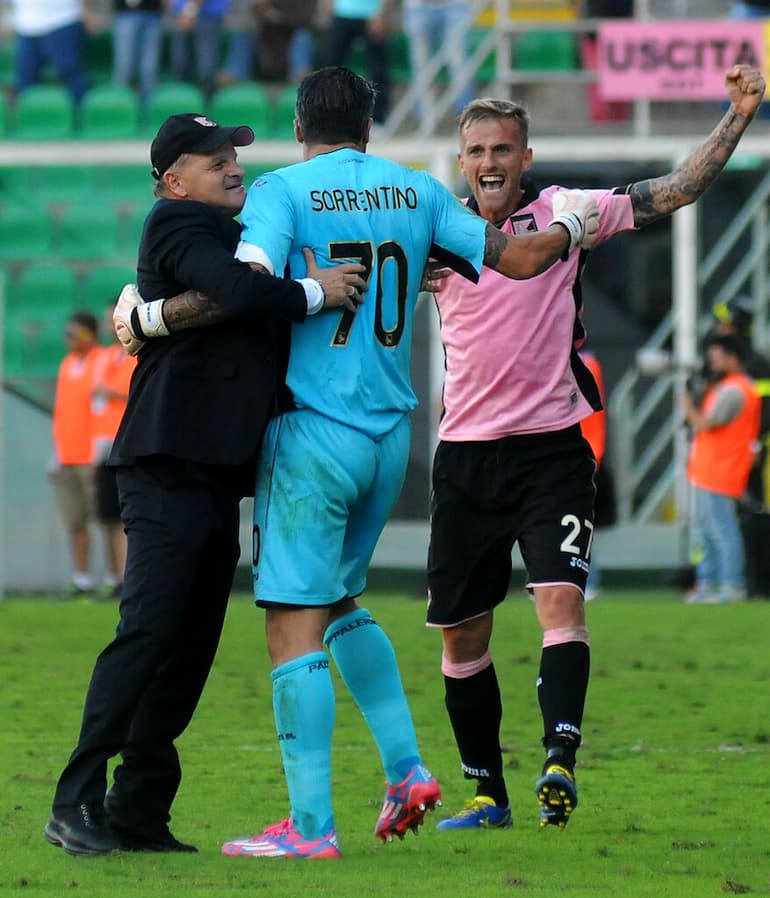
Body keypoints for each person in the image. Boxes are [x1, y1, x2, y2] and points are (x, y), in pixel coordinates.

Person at [113, 67, 599, 858]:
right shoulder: (416, 189)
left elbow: (245, 290)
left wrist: (148, 317)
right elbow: (516, 258)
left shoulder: (281, 190)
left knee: (289, 624)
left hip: (312, 433)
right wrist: (574, 231)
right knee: (338, 601)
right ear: (370, 129)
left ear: (303, 126)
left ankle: (309, 829)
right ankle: (407, 772)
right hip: (389, 437)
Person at [427, 63, 766, 834]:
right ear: (461, 161)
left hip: (551, 452)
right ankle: (487, 793)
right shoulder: (441, 234)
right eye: (476, 149)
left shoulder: (568, 212)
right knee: (461, 633)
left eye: (503, 149)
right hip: (466, 458)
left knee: (560, 601)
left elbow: (675, 188)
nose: (489, 162)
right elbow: (373, 282)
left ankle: (558, 762)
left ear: (527, 157)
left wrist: (739, 113)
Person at [44, 111, 366, 857]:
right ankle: (74, 801)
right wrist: (313, 290)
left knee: (187, 650)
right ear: (171, 179)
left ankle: (138, 808)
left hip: (216, 471)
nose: (231, 164)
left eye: (233, 153)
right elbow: (237, 290)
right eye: (212, 156)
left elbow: (242, 297)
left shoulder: (240, 230)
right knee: (148, 633)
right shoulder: (176, 224)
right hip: (168, 462)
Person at [683, 333, 761, 604]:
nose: (712, 361)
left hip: (720, 470)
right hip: (712, 469)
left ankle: (730, 585)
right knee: (709, 531)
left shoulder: (734, 390)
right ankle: (709, 584)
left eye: (717, 356)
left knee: (722, 531)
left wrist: (687, 407)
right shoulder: (732, 386)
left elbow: (706, 424)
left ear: (732, 357)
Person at [49, 311, 102, 597]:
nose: (70, 338)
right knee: (75, 521)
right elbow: (61, 413)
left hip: (92, 457)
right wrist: (55, 454)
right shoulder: (67, 364)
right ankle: (81, 578)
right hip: (68, 456)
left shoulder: (100, 362)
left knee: (107, 521)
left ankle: (115, 577)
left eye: (76, 332)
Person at [90, 304, 137, 599]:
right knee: (108, 516)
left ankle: (127, 578)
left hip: (127, 442)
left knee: (124, 517)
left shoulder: (139, 355)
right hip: (103, 446)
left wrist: (112, 394)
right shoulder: (106, 358)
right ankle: (115, 576)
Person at [322, 0, 396, 123]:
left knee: (378, 70)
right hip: (342, 14)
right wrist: (329, 10)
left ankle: (378, 118)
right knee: (329, 69)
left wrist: (382, 14)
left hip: (374, 16)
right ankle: (325, 115)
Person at [402, 0, 474, 119]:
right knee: (421, 67)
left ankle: (466, 114)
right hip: (418, 7)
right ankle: (425, 118)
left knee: (459, 64)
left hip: (454, 5)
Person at [10, 0, 92, 103]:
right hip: (26, 26)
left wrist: (87, 12)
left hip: (62, 19)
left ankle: (82, 115)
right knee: (24, 82)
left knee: (71, 76)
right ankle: (29, 116)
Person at [579, 348, 609, 600]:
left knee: (578, 520)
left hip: (582, 452)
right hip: (582, 451)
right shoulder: (588, 362)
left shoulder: (585, 363)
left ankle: (587, 581)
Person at [169, 0, 230, 98]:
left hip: (206, 15)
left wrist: (190, 11)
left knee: (206, 69)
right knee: (181, 65)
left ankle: (208, 106)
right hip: (182, 14)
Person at [111, 0, 165, 109]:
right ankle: (120, 109)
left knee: (149, 69)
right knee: (124, 67)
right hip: (126, 14)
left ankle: (149, 111)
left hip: (152, 14)